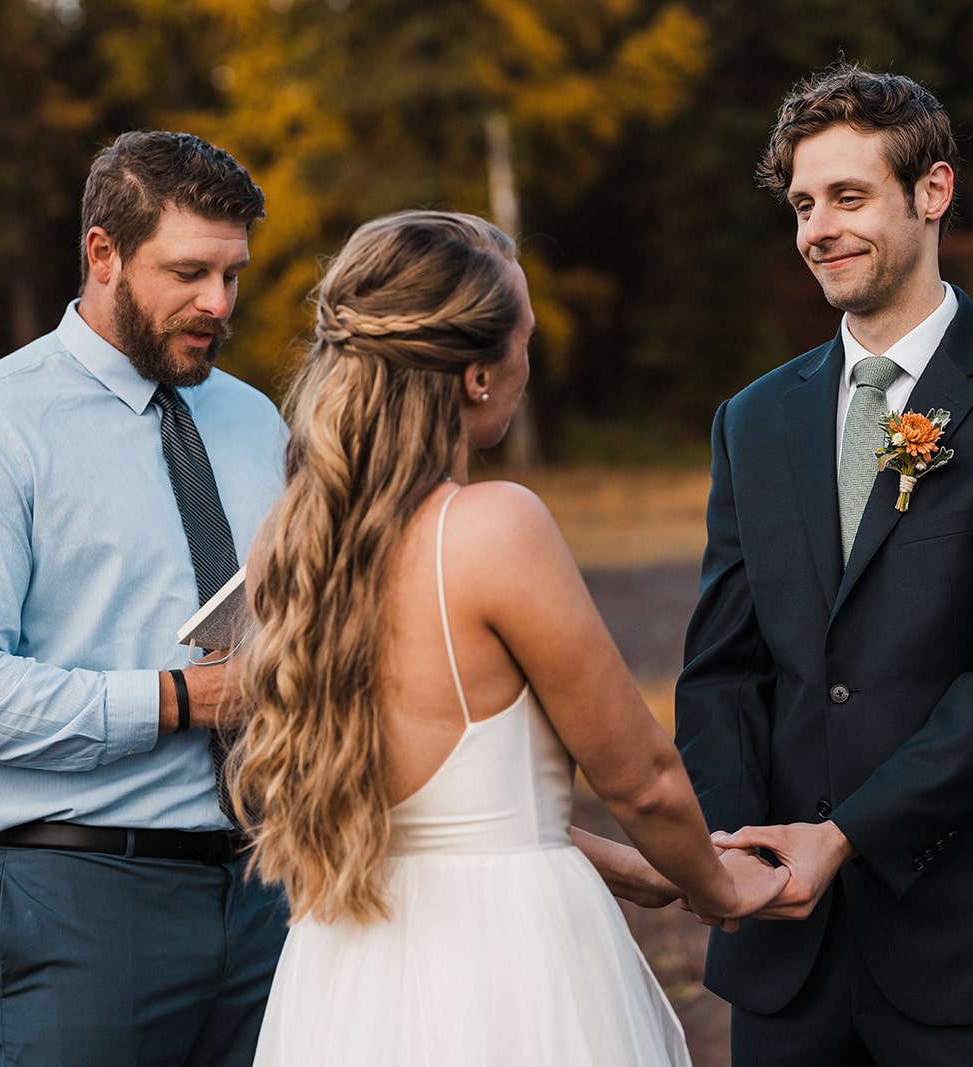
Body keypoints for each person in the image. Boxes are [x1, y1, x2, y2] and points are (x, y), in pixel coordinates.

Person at [230, 209, 787, 1065]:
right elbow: (642, 779)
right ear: (479, 375)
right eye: (524, 336)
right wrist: (720, 886)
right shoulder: (493, 528)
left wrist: (628, 866)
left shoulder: (297, 541)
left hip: (349, 968)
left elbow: (447, 809)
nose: (533, 357)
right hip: (506, 965)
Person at [674, 64, 973, 1064]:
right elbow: (721, 669)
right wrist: (736, 848)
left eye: (847, 196)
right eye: (801, 204)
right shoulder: (750, 421)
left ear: (933, 192)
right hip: (787, 952)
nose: (816, 230)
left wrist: (843, 837)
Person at [0, 130, 291, 1064]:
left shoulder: (256, 419)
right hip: (72, 902)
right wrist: (186, 699)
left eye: (233, 276)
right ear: (102, 253)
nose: (217, 304)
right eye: (189, 272)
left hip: (270, 892)